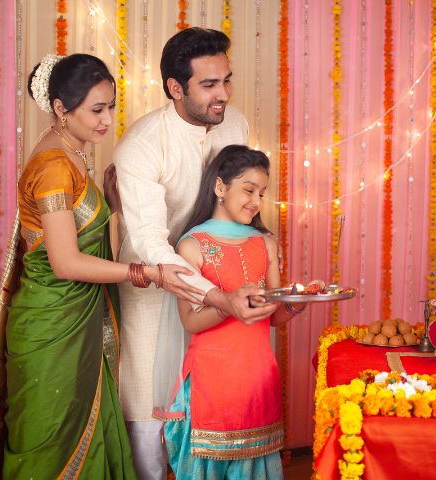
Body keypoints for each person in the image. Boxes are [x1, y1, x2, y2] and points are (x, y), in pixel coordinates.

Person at [0, 53, 189, 479]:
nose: (107, 120)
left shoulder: (72, 152)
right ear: (62, 110)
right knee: (49, 446)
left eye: (111, 107)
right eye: (96, 110)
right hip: (53, 327)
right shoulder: (53, 167)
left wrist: (113, 208)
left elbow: (90, 242)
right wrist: (147, 273)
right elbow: (66, 263)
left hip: (80, 320)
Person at [111, 28, 277, 479]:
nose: (223, 94)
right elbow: (150, 239)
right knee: (153, 397)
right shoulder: (142, 145)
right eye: (209, 85)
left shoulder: (235, 123)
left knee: (219, 391)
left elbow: (242, 199)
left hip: (225, 280)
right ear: (175, 88)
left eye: (227, 80)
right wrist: (216, 297)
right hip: (156, 280)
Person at [161, 145, 308, 479]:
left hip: (257, 377)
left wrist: (296, 305)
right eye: (249, 190)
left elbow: (272, 317)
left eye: (262, 193)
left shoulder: (264, 242)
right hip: (213, 381)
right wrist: (231, 306)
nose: (256, 201)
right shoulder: (191, 246)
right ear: (220, 187)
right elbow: (190, 321)